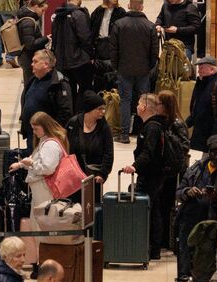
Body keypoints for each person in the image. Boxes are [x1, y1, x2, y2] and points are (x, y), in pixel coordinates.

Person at [175, 134, 217, 278]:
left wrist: (216, 199)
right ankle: (185, 280)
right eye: (214, 152)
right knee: (186, 251)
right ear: (209, 152)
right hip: (191, 217)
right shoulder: (196, 169)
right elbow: (178, 192)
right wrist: (188, 191)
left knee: (209, 258)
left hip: (215, 222)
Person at [120, 93, 172, 260]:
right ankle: (152, 246)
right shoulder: (153, 126)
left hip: (152, 176)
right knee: (153, 208)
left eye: (138, 104)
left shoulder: (152, 128)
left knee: (152, 210)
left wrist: (134, 166)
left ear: (143, 107)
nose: (136, 107)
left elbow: (148, 153)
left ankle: (153, 247)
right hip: (152, 175)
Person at [8, 112, 67, 254]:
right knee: (37, 225)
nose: (33, 132)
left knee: (41, 226)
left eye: (36, 129)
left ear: (45, 126)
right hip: (40, 189)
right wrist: (21, 164)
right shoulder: (44, 141)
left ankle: (44, 259)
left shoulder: (51, 145)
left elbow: (47, 168)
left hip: (44, 190)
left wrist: (31, 163)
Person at [109, 0, 158, 144]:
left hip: (124, 69)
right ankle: (145, 133)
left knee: (125, 100)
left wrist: (116, 66)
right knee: (146, 101)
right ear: (142, 6)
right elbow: (154, 52)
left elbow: (113, 49)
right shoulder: (150, 26)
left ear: (129, 6)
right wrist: (149, 66)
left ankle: (124, 135)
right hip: (144, 70)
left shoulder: (119, 24)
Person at [20, 49, 73, 150]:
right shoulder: (33, 80)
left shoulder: (59, 83)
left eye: (35, 61)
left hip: (48, 138)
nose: (31, 64)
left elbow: (65, 112)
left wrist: (50, 133)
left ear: (45, 64)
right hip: (32, 136)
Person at [65, 91, 113, 201]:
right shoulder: (73, 124)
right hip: (73, 175)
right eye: (99, 109)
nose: (103, 112)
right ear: (89, 109)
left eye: (103, 108)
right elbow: (64, 146)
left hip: (93, 177)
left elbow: (108, 153)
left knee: (91, 210)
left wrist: (103, 173)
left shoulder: (104, 128)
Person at [51, 0, 93, 112]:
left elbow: (54, 38)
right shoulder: (79, 15)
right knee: (85, 89)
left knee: (69, 91)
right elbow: (85, 38)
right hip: (79, 60)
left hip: (62, 61)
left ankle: (71, 117)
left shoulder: (57, 14)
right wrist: (91, 54)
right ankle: (80, 116)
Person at [187, 56, 217, 154]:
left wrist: (214, 141)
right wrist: (184, 125)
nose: (199, 71)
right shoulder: (201, 84)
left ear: (212, 69)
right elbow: (196, 110)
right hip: (198, 137)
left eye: (202, 68)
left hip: (210, 141)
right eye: (199, 68)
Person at [17, 0, 50, 85]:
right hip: (28, 58)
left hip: (27, 57)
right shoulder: (28, 22)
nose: (43, 13)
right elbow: (30, 44)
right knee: (29, 86)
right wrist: (46, 38)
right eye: (42, 10)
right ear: (36, 7)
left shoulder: (28, 18)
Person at [89, 0, 125, 65]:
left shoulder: (121, 12)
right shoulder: (98, 11)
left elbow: (123, 35)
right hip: (99, 46)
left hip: (113, 47)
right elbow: (92, 31)